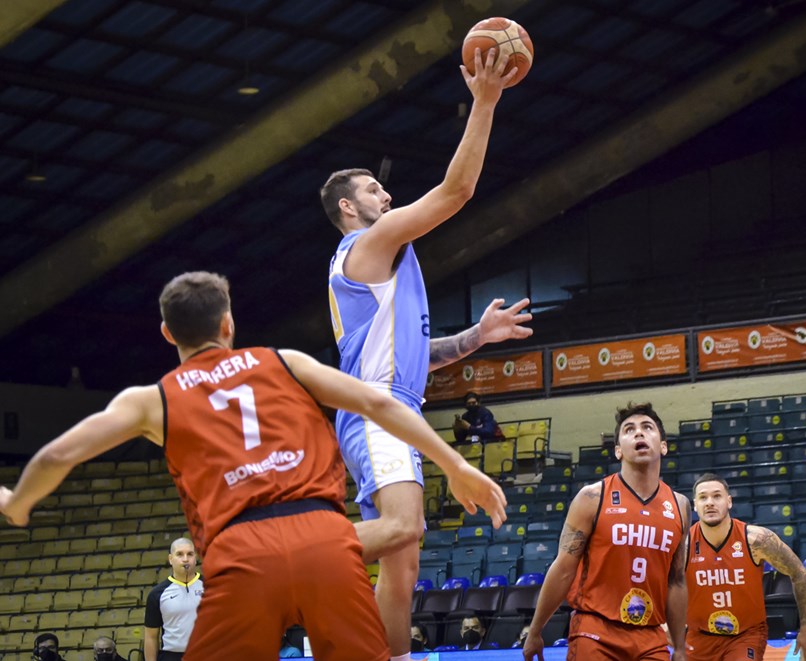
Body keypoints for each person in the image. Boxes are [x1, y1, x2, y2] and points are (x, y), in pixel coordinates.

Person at [0, 271, 506, 661]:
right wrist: (456, 465)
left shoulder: (150, 399)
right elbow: (381, 404)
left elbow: (57, 454)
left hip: (241, 552)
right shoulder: (285, 361)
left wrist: (18, 503)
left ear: (166, 332)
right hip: (326, 539)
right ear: (228, 324)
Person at [319, 46, 528, 660]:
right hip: (377, 411)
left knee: (403, 571)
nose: (387, 195)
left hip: (391, 406)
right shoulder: (370, 241)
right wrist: (485, 102)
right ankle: (285, 557)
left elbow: (417, 354)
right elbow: (458, 190)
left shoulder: (383, 268)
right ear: (348, 209)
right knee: (404, 528)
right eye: (374, 189)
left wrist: (475, 339)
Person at [522, 402, 691, 661]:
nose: (639, 433)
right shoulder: (591, 498)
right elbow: (564, 568)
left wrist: (679, 647)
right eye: (628, 429)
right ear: (618, 451)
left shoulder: (680, 506)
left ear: (664, 446)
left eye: (647, 427)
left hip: (650, 637)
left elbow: (677, 580)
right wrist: (535, 630)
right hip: (595, 629)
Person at [686, 473, 806, 661]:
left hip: (745, 635)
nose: (709, 502)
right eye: (703, 497)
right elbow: (662, 582)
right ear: (695, 505)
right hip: (699, 636)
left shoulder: (756, 540)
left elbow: (799, 572)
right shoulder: (683, 545)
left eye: (717, 496)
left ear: (729, 501)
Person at [144, 537, 203, 661]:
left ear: (196, 558)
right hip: (171, 656)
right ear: (170, 559)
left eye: (190, 554)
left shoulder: (213, 587)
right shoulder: (157, 594)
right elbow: (151, 636)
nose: (185, 559)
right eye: (180, 554)